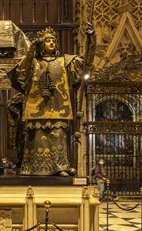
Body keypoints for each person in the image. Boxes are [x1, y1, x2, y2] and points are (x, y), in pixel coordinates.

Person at [7, 26, 95, 176]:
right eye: (47, 41)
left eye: (54, 40)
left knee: (58, 138)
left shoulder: (65, 62)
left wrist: (91, 40)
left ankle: (60, 167)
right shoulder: (33, 62)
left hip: (58, 107)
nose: (51, 43)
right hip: (36, 107)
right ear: (41, 44)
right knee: (36, 139)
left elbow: (85, 61)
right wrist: (31, 50)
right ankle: (33, 167)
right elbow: (20, 74)